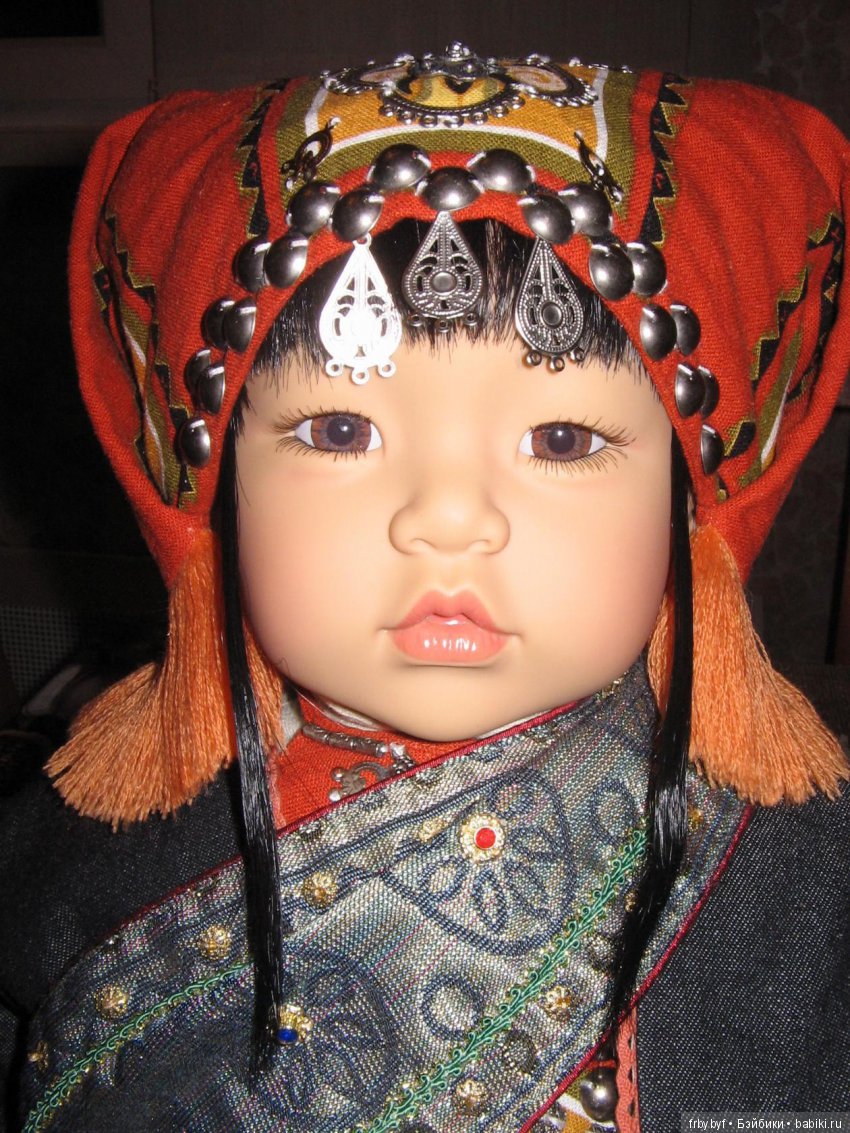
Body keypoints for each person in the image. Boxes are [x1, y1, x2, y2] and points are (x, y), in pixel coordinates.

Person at [1, 44, 849, 1132]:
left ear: (695, 513)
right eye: (338, 431)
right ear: (211, 497)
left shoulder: (793, 881)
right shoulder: (97, 846)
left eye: (560, 438)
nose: (447, 518)